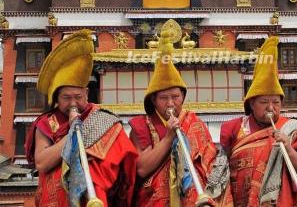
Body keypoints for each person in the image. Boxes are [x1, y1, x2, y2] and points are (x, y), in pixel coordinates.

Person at [25, 29, 138, 206]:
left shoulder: (104, 120)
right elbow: (42, 163)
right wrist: (72, 135)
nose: (73, 103)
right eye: (66, 98)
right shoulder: (47, 123)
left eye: (78, 97)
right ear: (55, 98)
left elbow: (125, 164)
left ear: (86, 94)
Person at [129, 29, 232, 207]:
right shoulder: (141, 126)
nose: (170, 103)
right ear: (153, 99)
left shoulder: (195, 124)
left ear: (183, 97)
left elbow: (209, 165)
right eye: (163, 98)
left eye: (175, 97)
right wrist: (169, 137)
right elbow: (141, 168)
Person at [220, 36, 297, 207]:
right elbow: (221, 169)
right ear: (251, 104)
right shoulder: (233, 128)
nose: (271, 108)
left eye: (276, 102)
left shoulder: (295, 130)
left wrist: (290, 149)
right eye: (264, 102)